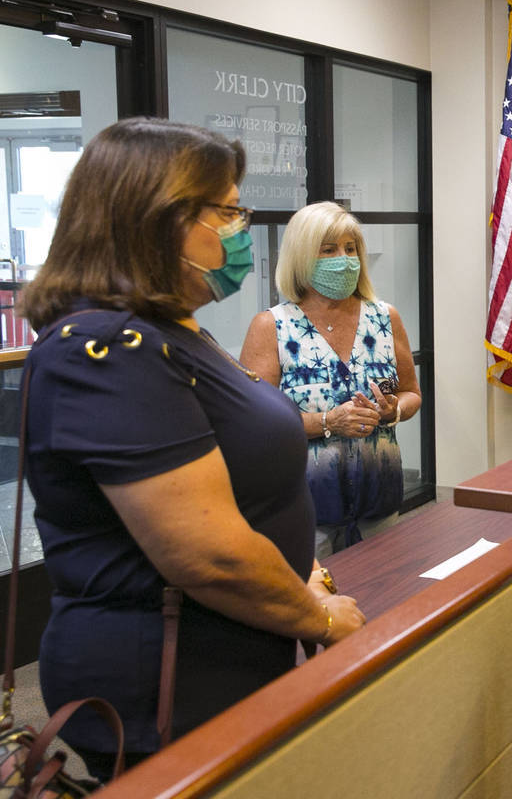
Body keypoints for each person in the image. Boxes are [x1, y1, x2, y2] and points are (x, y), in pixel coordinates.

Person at [19, 117, 365, 780]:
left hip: (230, 656)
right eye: (229, 211)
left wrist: (295, 575)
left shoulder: (172, 331)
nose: (242, 229)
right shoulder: (106, 352)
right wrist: (316, 615)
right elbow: (206, 554)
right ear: (162, 219)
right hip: (164, 688)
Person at [240, 202, 420, 558]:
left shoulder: (385, 318)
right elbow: (254, 428)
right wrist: (327, 422)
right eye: (329, 250)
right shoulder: (272, 327)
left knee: (383, 600)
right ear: (303, 257)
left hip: (379, 504)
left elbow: (410, 393)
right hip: (305, 513)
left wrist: (391, 411)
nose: (345, 259)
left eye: (350, 249)